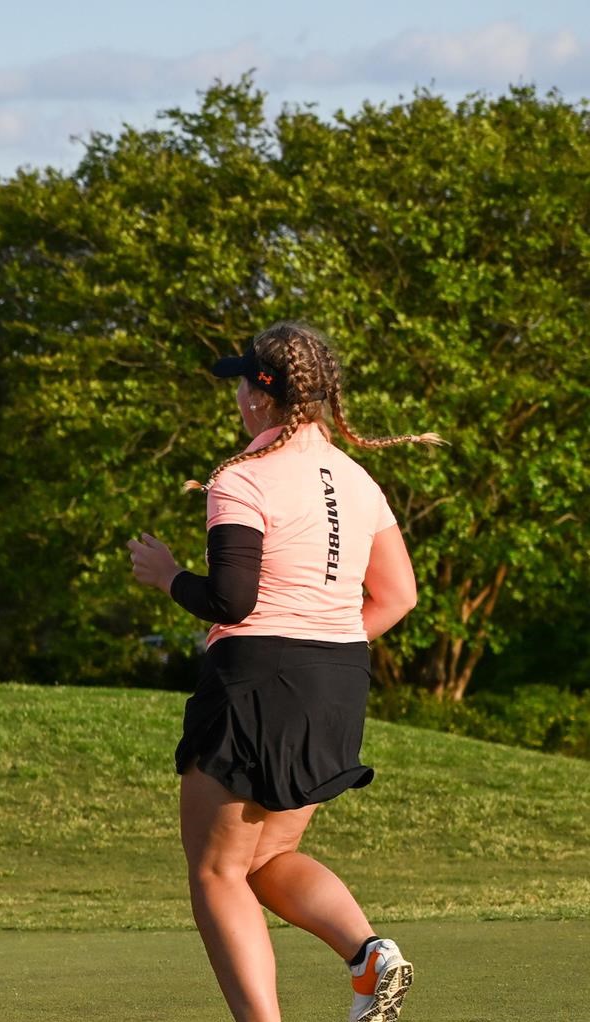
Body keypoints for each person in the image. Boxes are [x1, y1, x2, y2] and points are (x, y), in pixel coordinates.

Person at [126, 323, 441, 1022]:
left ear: (262, 399)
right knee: (264, 861)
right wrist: (319, 645)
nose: (236, 396)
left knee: (216, 870)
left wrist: (167, 575)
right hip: (337, 682)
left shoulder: (242, 478)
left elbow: (230, 600)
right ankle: (368, 956)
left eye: (242, 383)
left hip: (256, 683)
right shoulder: (361, 482)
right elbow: (398, 597)